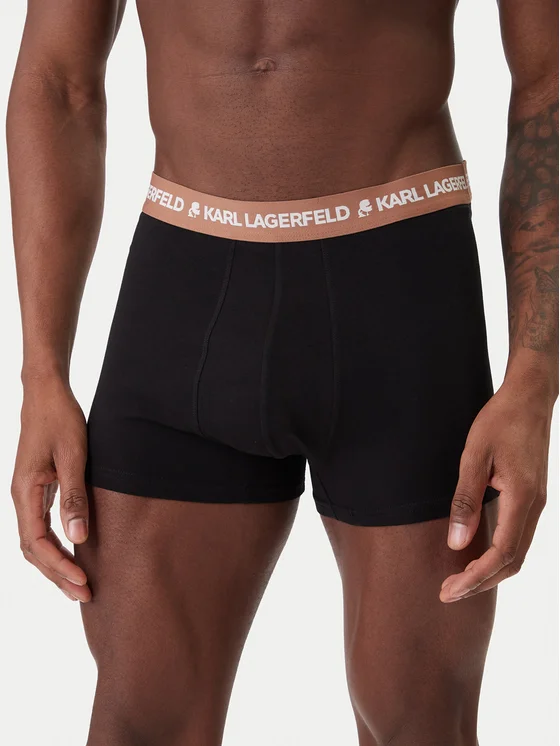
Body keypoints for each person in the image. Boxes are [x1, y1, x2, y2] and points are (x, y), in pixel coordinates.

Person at [7, 1, 557, 744]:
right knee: (140, 721)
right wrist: (41, 374)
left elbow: (548, 82)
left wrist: (534, 381)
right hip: (185, 294)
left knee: (420, 724)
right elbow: (58, 82)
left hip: (400, 297)